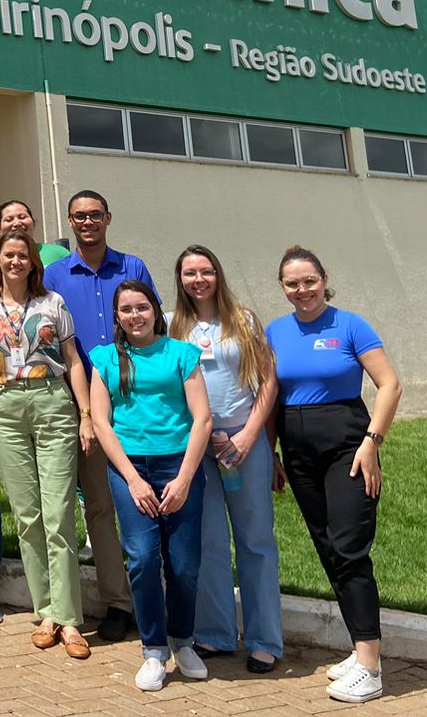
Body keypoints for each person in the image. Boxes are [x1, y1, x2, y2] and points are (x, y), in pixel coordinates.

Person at [268, 247, 402, 705]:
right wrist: (271, 454)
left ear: (324, 279)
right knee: (328, 547)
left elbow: (390, 384)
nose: (302, 290)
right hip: (298, 451)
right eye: (292, 283)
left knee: (350, 548)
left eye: (309, 281)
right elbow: (270, 397)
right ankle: (360, 648)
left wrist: (371, 443)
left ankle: (371, 666)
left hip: (348, 446)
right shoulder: (276, 332)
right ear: (282, 287)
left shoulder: (349, 325)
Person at [0, 231, 95, 659]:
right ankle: (46, 613)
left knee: (58, 512)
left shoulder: (52, 304)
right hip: (4, 405)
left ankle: (70, 619)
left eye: (24, 255)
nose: (17, 262)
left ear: (34, 262)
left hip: (52, 401)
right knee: (27, 514)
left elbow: (74, 361)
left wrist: (86, 415)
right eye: (10, 255)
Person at [40, 189, 158, 643]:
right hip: (67, 400)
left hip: (126, 398)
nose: (87, 222)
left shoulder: (133, 269)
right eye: (78, 217)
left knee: (114, 501)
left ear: (108, 217)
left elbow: (151, 327)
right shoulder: (54, 275)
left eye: (94, 215)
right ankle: (79, 604)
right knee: (77, 506)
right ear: (70, 223)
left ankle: (121, 600)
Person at [89, 280, 212, 693]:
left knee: (183, 565)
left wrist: (184, 477)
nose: (135, 316)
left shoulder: (182, 353)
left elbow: (202, 419)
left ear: (156, 311)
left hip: (180, 465)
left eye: (142, 307)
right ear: (117, 316)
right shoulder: (105, 357)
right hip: (131, 469)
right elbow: (102, 422)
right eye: (126, 310)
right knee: (142, 558)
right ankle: (154, 649)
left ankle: (184, 640)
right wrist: (133, 478)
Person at [169, 244, 283, 673]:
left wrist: (252, 435)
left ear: (218, 274)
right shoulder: (172, 325)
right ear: (180, 280)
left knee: (255, 540)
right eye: (189, 273)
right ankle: (215, 634)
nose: (198, 280)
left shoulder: (244, 320)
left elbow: (269, 379)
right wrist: (205, 435)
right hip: (198, 447)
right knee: (210, 541)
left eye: (205, 271)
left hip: (244, 444)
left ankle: (264, 639)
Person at [0, 200, 70, 274]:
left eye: (22, 217)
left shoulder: (59, 253)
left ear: (33, 223)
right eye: (9, 220)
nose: (17, 223)